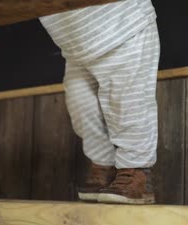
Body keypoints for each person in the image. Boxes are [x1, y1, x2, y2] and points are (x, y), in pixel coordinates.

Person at [39, 0, 160, 204]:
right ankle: (103, 164)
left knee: (130, 105)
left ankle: (136, 171)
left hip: (123, 28)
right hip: (76, 45)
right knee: (81, 107)